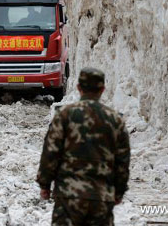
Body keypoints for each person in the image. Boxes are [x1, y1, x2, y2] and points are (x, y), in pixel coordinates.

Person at [36, 67, 130, 226]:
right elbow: (122, 160)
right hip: (101, 197)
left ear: (79, 88)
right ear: (102, 89)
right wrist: (119, 191)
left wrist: (45, 184)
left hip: (68, 196)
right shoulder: (115, 120)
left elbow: (51, 152)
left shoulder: (64, 116)